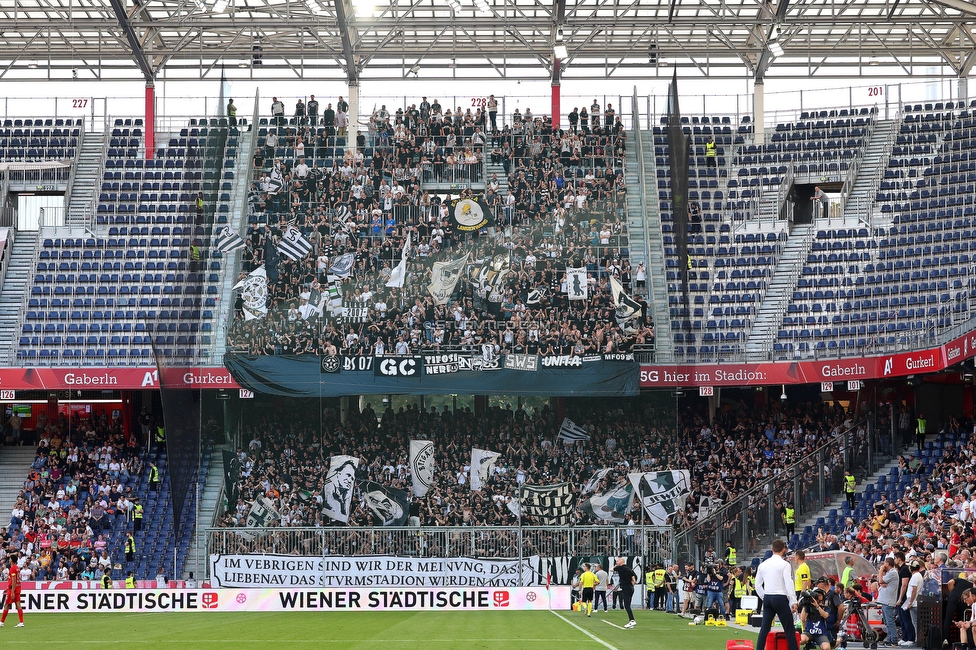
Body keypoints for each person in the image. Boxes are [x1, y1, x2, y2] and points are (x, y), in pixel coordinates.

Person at [754, 539, 800, 650]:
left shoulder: (763, 565)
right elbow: (789, 584)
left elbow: (757, 585)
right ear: (784, 550)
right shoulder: (785, 565)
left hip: (768, 597)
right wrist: (793, 601)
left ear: (772, 549)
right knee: (789, 628)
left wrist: (764, 597)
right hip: (780, 597)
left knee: (764, 629)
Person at [877, 557, 900, 647]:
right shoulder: (890, 573)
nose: (883, 565)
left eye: (884, 564)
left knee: (890, 622)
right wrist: (881, 581)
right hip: (885, 600)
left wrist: (881, 570)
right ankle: (890, 638)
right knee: (887, 622)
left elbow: (880, 581)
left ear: (887, 564)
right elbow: (882, 583)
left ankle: (894, 639)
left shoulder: (893, 573)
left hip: (888, 601)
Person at [902, 560, 924, 647]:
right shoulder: (918, 575)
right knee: (916, 622)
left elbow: (914, 590)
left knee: (915, 622)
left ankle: (917, 639)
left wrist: (910, 602)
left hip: (914, 603)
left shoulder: (915, 576)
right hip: (915, 602)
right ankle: (917, 639)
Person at [0, 553, 24, 627]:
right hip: (17, 588)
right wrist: (7, 588)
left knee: (6, 605)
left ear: (12, 560)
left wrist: (12, 591)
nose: (9, 560)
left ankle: (1, 622)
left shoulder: (13, 568)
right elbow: (15, 580)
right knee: (18, 604)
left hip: (13, 589)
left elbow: (13, 580)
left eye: (10, 558)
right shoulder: (17, 568)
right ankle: (21, 622)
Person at [612, 558, 637, 629]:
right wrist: (632, 584)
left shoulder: (621, 568)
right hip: (630, 588)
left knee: (626, 605)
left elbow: (612, 569)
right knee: (628, 604)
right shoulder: (629, 569)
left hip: (626, 588)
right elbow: (634, 579)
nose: (616, 562)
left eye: (617, 561)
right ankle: (631, 622)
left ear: (621, 562)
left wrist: (615, 566)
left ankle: (632, 620)